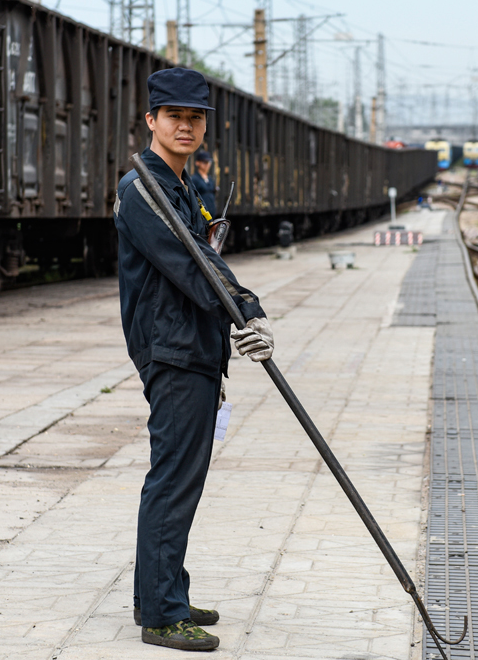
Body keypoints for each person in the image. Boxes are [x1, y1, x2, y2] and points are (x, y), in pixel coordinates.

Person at [113, 67, 276, 652]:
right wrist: (247, 310)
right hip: (173, 352)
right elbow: (192, 266)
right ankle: (160, 615)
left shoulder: (183, 186)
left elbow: (208, 258)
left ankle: (163, 595)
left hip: (194, 348)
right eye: (174, 116)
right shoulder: (144, 190)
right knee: (174, 479)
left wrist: (242, 310)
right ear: (151, 120)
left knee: (182, 476)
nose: (186, 126)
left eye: (196, 118)